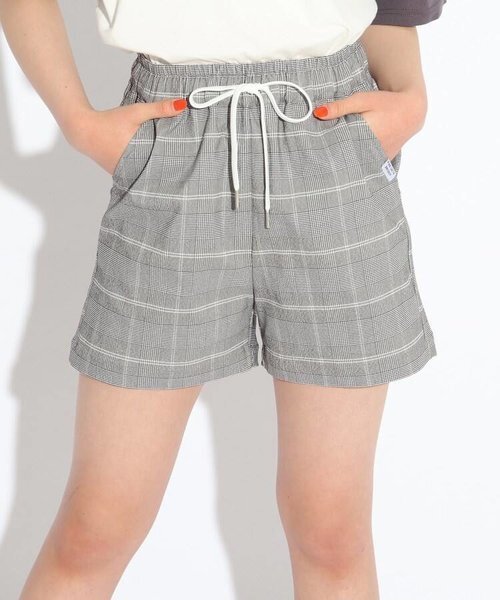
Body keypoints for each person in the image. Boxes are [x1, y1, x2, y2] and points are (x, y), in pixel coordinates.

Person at [0, 0, 444, 597]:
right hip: (174, 137)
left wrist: (409, 94)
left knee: (331, 533)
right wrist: (78, 122)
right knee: (94, 528)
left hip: (330, 139)